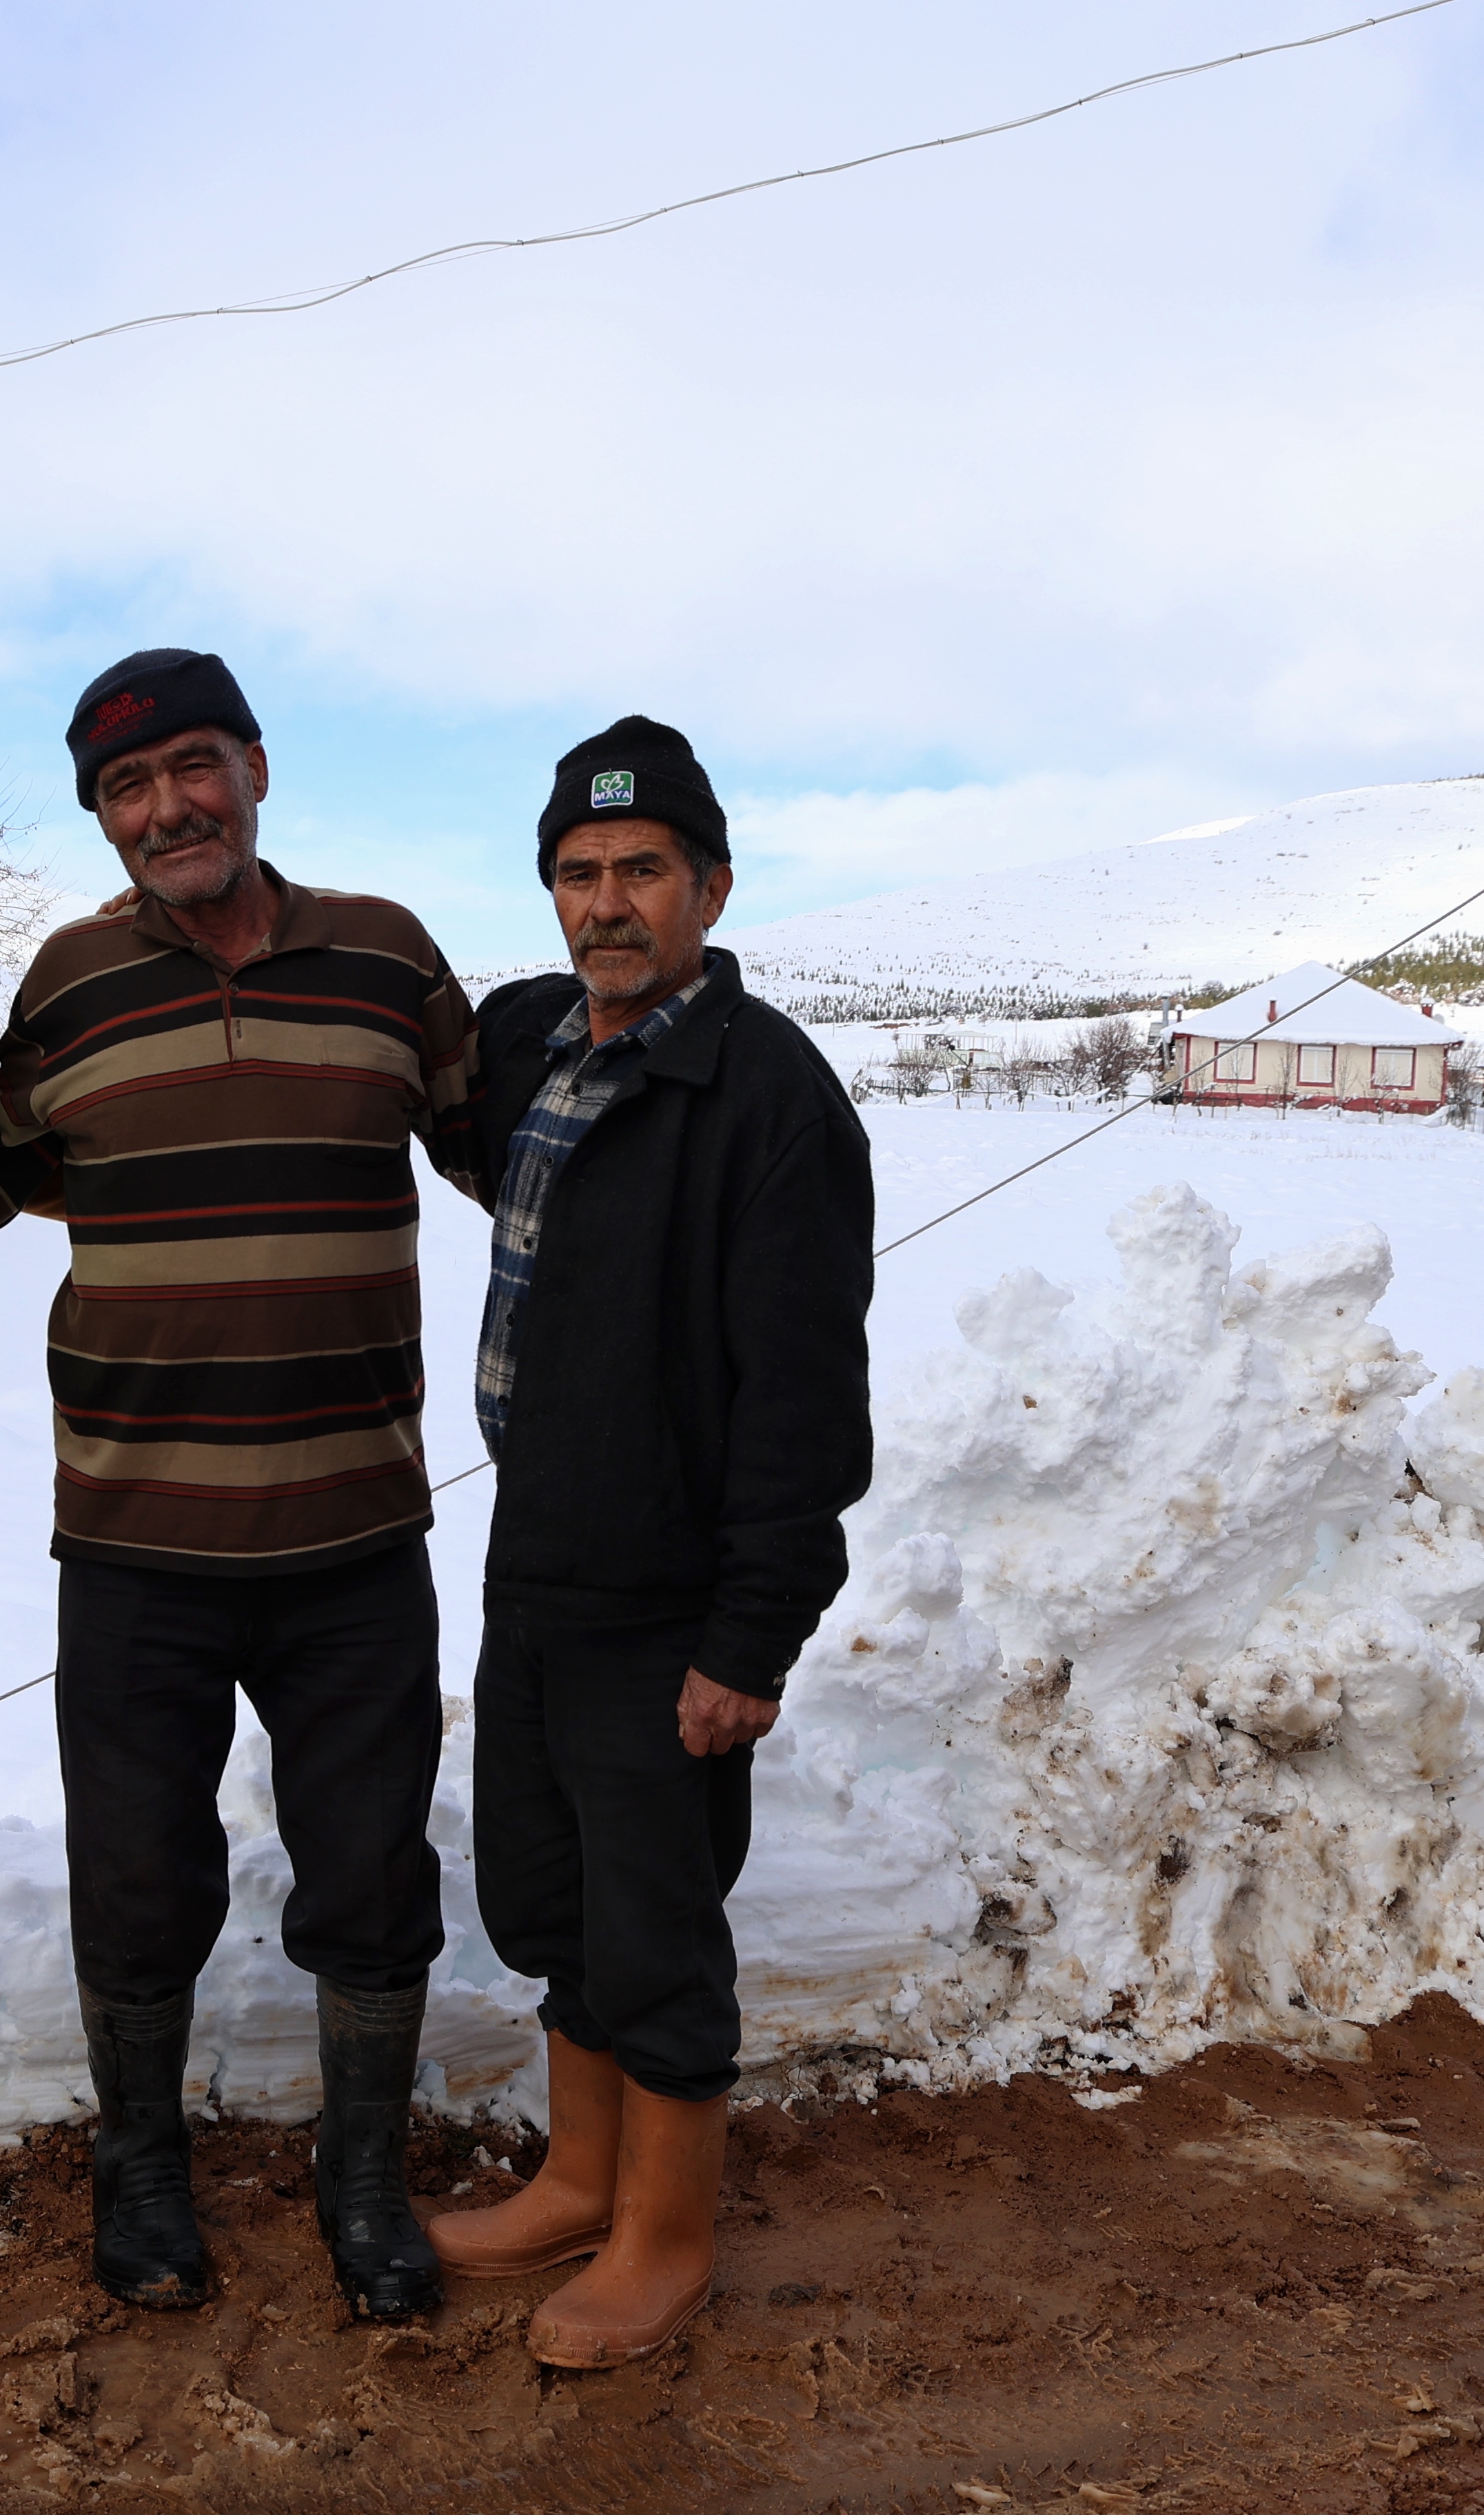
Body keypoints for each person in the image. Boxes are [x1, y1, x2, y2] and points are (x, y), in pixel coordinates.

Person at [0, 649, 479, 2320]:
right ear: (101, 816)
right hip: (133, 1538)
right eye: (126, 787)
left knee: (372, 1868)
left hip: (353, 1533)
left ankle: (364, 2169)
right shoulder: (69, 986)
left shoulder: (390, 960)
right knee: (135, 1875)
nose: (165, 807)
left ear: (256, 766)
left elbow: (511, 1142)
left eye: (191, 767)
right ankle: (144, 2161)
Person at [423, 715, 873, 2367]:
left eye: (641, 872)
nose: (606, 902)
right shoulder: (537, 1042)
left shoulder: (769, 1103)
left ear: (712, 885)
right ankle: (579, 2176)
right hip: (538, 1560)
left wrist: (752, 1635)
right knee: (554, 1895)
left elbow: (806, 1404)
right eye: (578, 872)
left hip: (669, 1595)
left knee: (659, 1920)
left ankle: (666, 2235)